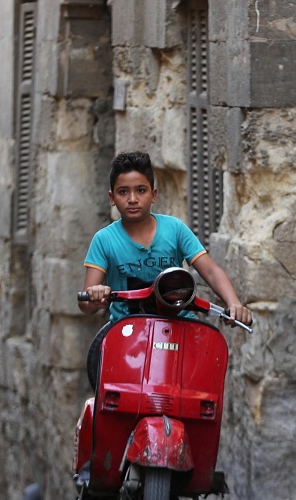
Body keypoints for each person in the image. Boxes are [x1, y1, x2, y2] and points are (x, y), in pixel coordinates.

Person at [79, 150, 252, 388]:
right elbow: (86, 301)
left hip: (180, 332)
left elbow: (210, 270)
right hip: (129, 338)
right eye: (123, 192)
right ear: (112, 197)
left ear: (153, 195)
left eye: (140, 190)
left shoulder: (175, 229)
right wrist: (96, 296)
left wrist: (233, 304)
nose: (132, 199)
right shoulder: (104, 240)